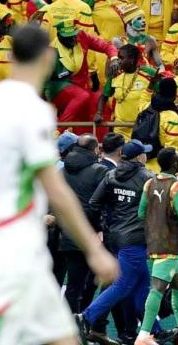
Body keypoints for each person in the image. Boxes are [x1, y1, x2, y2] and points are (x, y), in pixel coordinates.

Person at [0, 23, 119, 345]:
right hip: (16, 249)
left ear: (10, 57)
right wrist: (93, 249)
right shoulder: (32, 110)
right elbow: (55, 189)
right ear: (48, 57)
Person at [78, 138, 154, 342]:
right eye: (144, 153)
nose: (146, 156)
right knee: (123, 284)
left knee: (141, 285)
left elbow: (94, 203)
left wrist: (105, 224)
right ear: (139, 157)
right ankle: (86, 317)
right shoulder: (147, 178)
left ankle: (153, 330)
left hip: (115, 236)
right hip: (135, 238)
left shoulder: (111, 175)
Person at [135, 148, 178, 345]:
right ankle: (143, 336)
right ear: (174, 164)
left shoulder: (149, 183)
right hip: (169, 245)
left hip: (153, 243)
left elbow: (141, 213)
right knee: (157, 290)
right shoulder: (177, 187)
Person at [58, 134, 110, 322]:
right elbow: (101, 205)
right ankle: (81, 323)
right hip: (92, 235)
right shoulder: (100, 171)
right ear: (96, 149)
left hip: (67, 235)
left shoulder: (61, 171)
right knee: (92, 284)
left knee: (73, 286)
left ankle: (72, 325)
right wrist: (99, 228)